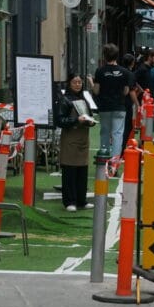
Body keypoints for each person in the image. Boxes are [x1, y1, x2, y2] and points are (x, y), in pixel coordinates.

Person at [55, 74, 96, 211]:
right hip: (70, 140)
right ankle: (69, 202)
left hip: (83, 139)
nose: (78, 84)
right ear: (69, 83)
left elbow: (90, 115)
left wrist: (90, 122)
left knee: (82, 171)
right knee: (70, 171)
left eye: (79, 82)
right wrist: (75, 121)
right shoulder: (64, 100)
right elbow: (60, 121)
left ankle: (81, 200)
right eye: (74, 82)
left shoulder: (84, 99)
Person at [88, 43, 133, 159]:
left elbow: (96, 91)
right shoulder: (124, 72)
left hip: (105, 107)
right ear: (117, 56)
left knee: (105, 133)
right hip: (119, 107)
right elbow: (126, 91)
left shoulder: (100, 71)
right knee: (118, 134)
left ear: (104, 56)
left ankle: (104, 157)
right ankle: (114, 163)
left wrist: (91, 83)